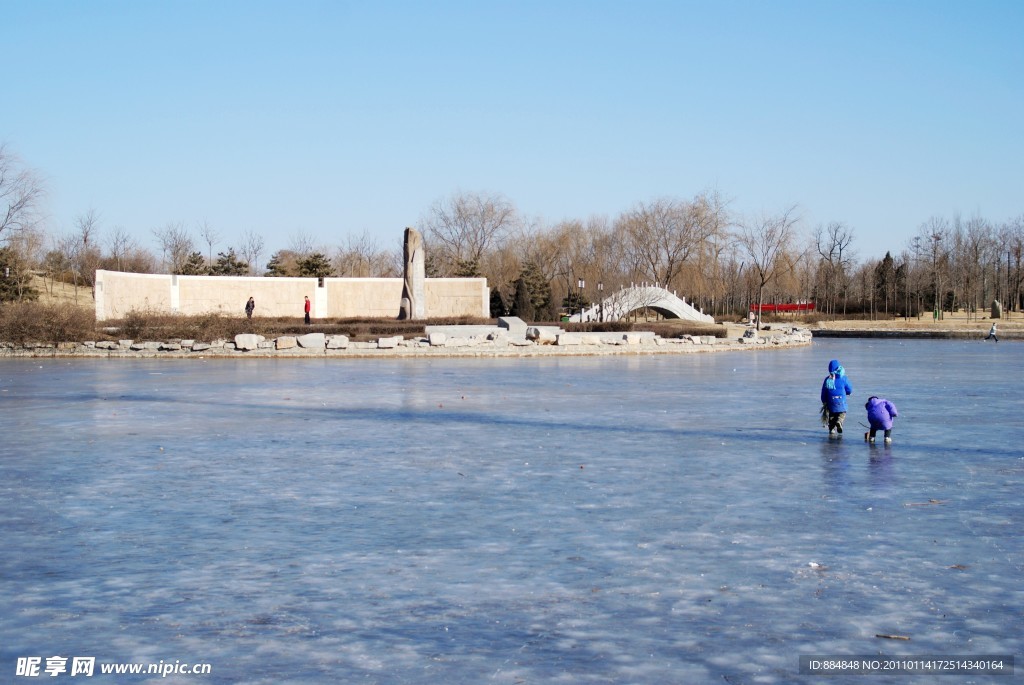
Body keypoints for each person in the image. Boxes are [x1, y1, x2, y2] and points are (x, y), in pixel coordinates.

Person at [820, 359, 853, 437]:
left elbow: (824, 391)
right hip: (841, 400)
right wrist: (848, 392)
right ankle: (839, 421)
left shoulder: (827, 379)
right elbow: (849, 389)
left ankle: (831, 429)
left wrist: (824, 401)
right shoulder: (843, 378)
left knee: (831, 415)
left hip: (831, 401)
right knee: (842, 412)